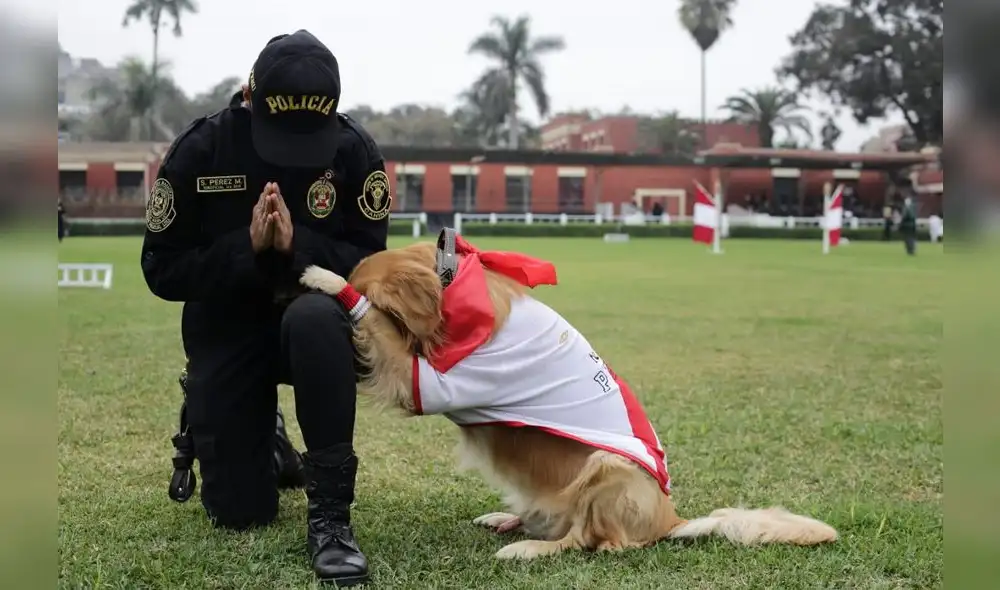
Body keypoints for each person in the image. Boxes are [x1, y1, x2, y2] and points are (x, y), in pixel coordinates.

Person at [140, 29, 391, 586]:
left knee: (313, 319)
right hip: (229, 325)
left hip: (314, 326)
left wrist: (296, 248)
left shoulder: (353, 152)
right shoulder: (200, 150)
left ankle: (330, 517)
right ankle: (263, 435)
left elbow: (373, 262)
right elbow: (161, 267)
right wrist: (245, 252)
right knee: (239, 512)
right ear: (249, 96)